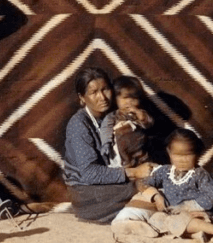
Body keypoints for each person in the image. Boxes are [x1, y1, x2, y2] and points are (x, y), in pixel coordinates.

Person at [63, 67, 155, 223]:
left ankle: (135, 216)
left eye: (105, 89)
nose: (102, 97)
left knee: (155, 181)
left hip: (112, 184)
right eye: (94, 93)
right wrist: (134, 172)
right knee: (144, 187)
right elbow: (90, 173)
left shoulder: (114, 115)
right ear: (82, 97)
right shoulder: (78, 125)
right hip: (87, 193)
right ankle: (129, 219)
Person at [112, 128, 213, 243]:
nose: (182, 160)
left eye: (187, 155)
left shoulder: (200, 175)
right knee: (157, 218)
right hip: (173, 215)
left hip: (200, 215)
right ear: (169, 153)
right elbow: (142, 183)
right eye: (177, 155)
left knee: (178, 221)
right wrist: (156, 196)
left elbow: (211, 199)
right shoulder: (165, 171)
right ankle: (194, 234)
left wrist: (185, 207)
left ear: (197, 154)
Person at [102, 75, 154, 170]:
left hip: (139, 149)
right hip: (121, 153)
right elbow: (105, 128)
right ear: (115, 99)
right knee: (124, 166)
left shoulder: (139, 113)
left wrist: (142, 117)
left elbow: (149, 124)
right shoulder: (113, 116)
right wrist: (106, 143)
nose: (129, 102)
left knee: (146, 163)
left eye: (134, 99)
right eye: (125, 98)